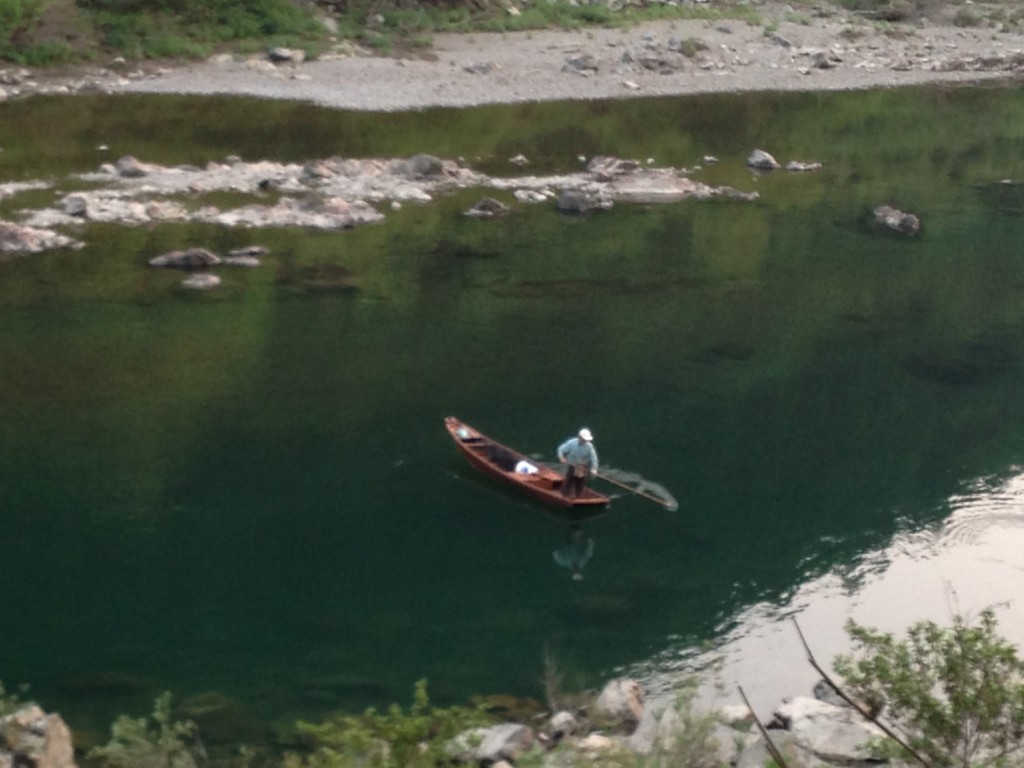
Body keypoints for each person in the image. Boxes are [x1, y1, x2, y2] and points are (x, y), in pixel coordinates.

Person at [557, 427, 598, 499]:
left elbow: (594, 458)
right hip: (572, 465)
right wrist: (561, 457)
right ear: (579, 437)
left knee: (580, 482)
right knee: (569, 479)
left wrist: (594, 468)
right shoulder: (571, 443)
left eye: (586, 440)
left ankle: (578, 495)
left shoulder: (590, 447)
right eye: (584, 439)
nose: (585, 441)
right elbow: (561, 449)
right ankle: (565, 495)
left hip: (582, 467)